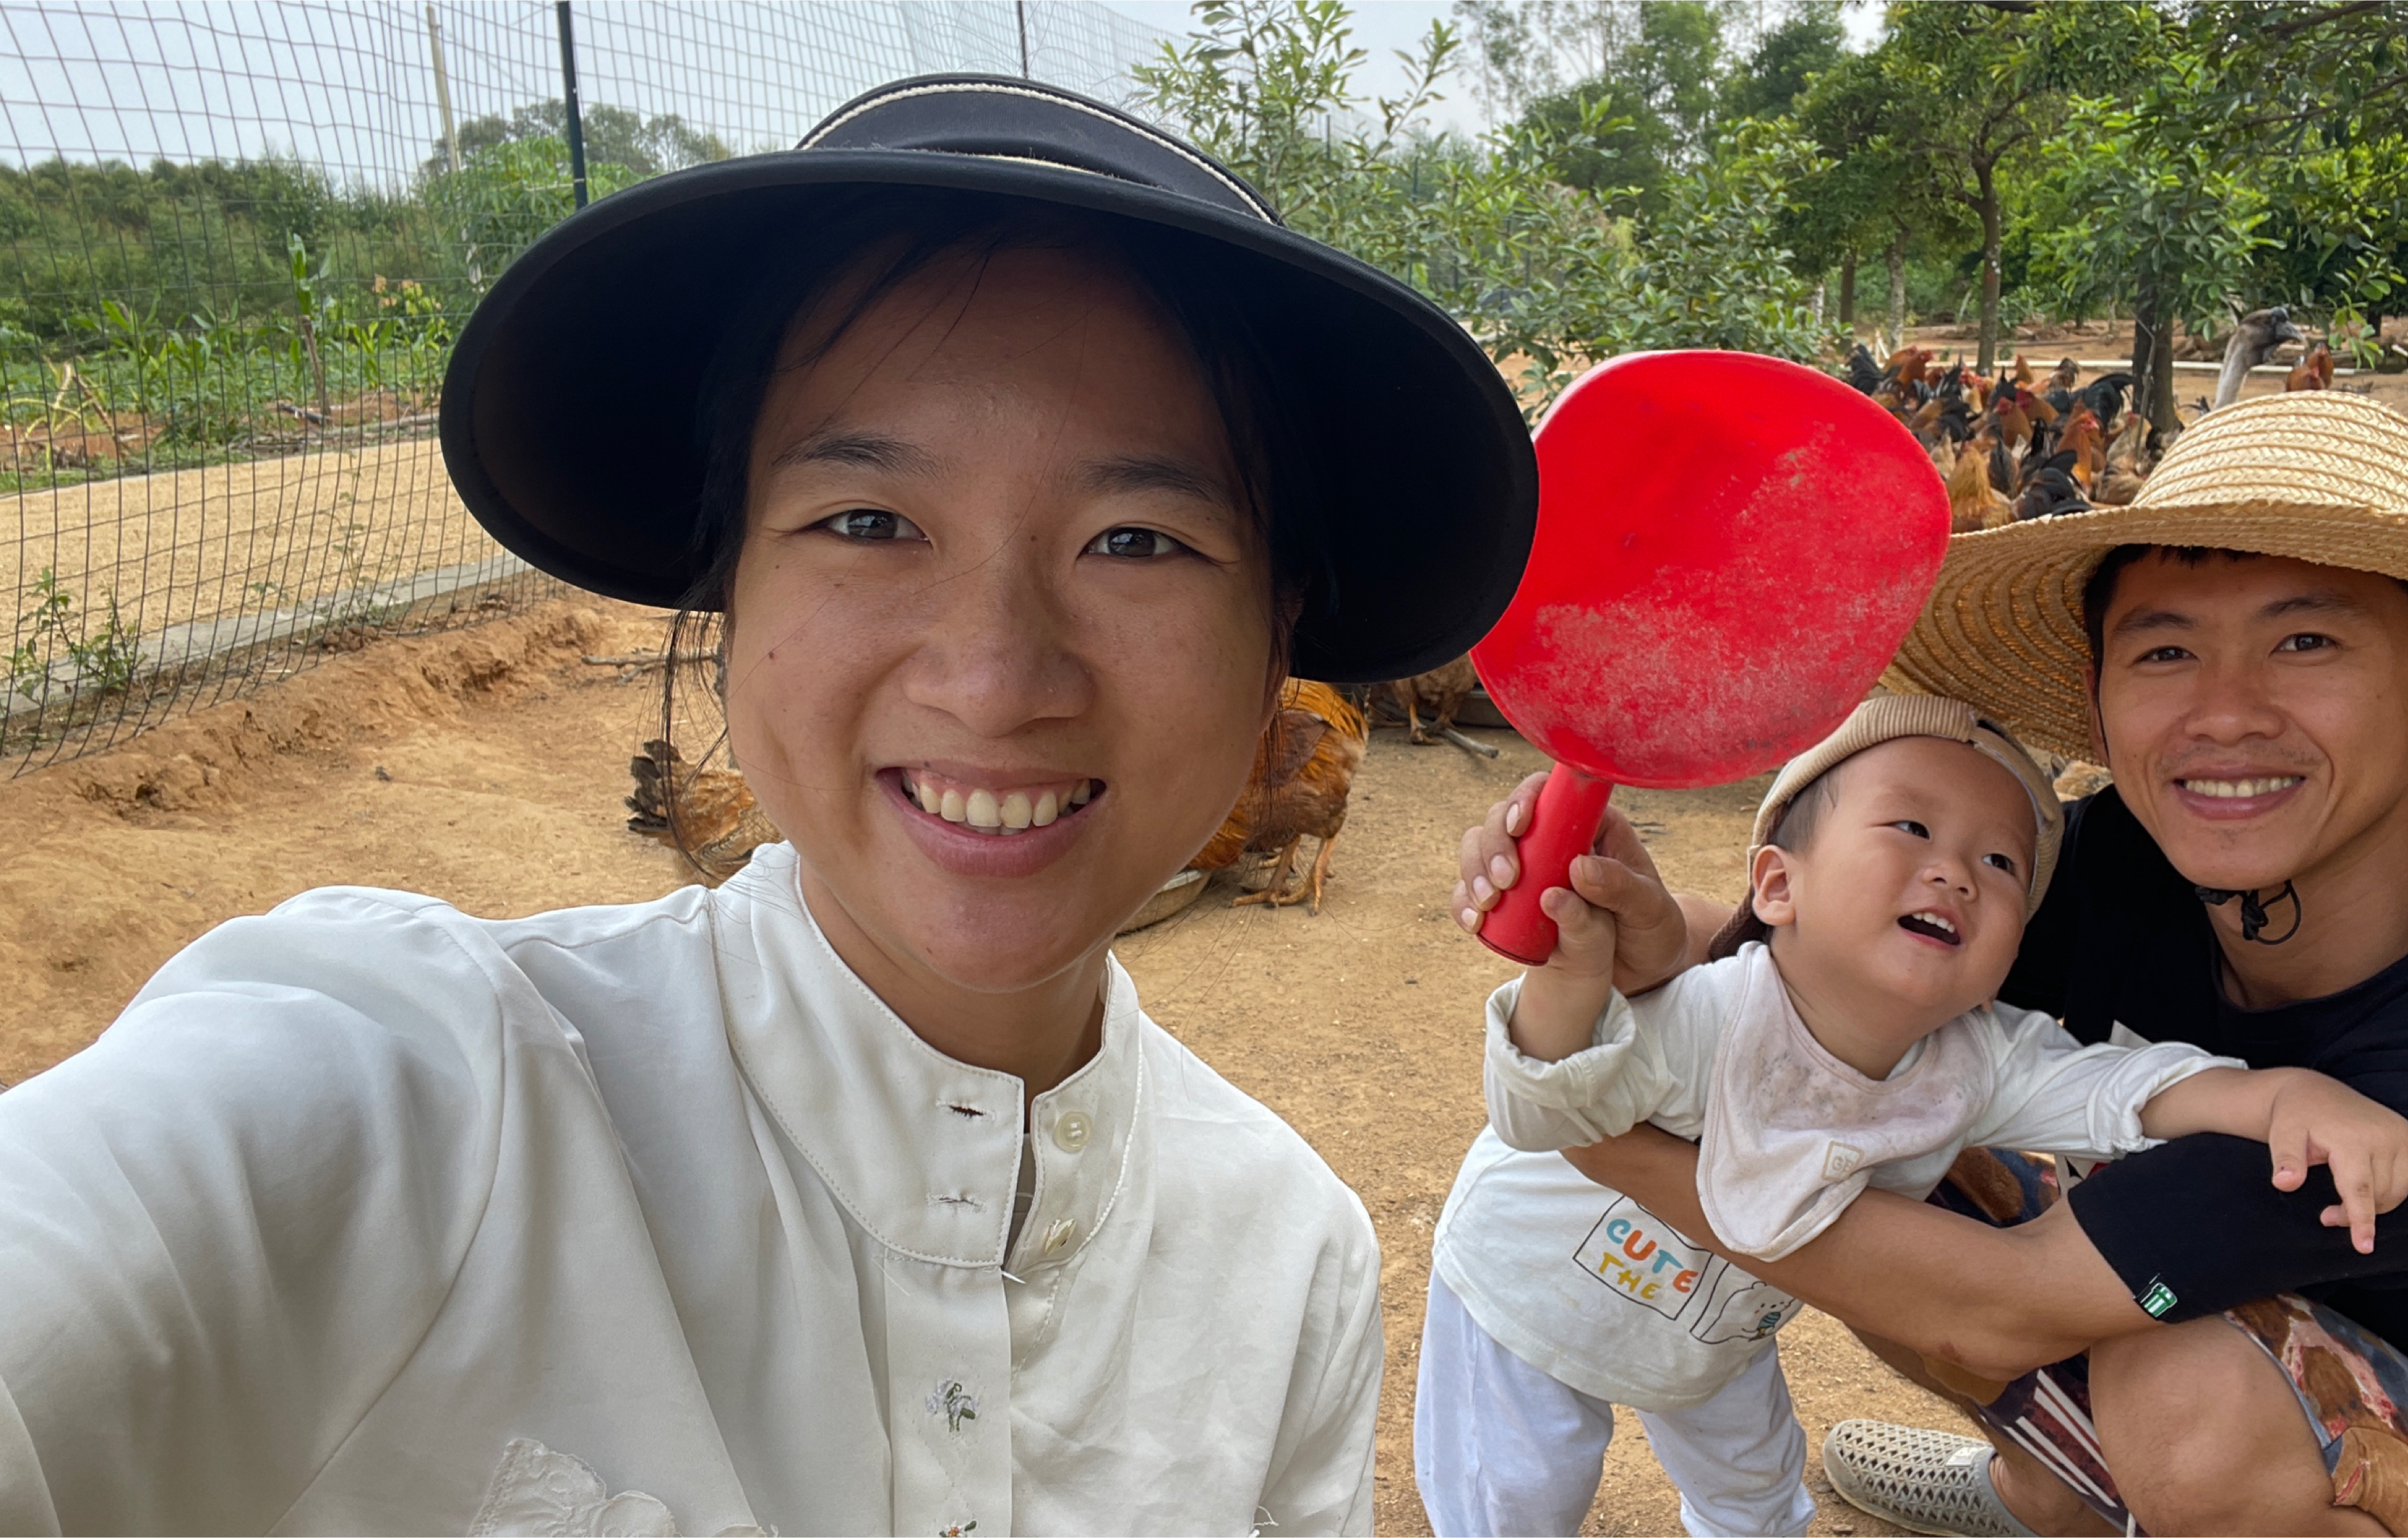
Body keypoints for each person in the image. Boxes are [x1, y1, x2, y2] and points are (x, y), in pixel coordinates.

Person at [0, 77, 1537, 1535]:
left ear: (1279, 633)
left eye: (1137, 539)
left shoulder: (1292, 1263)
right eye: (866, 521)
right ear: (729, 584)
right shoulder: (397, 1096)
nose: (996, 679)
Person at [1454, 392, 2408, 1536]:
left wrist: (1594, 1130)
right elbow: (1828, 981)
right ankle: (2063, 1491)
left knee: (2187, 1395)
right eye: (2167, 649)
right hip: (2236, 1340)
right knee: (1898, 1086)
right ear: (2103, 687)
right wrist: (1638, 930)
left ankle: (2125, 1487)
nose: (2224, 711)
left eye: (2308, 643)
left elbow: (2001, 1309)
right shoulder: (2118, 857)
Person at [1418, 694, 2408, 1537]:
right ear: (1777, 883)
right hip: (1529, 1297)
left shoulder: (1974, 1062)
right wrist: (1571, 971)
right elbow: (1547, 1099)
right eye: (1911, 828)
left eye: (2001, 865)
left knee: (1758, 1486)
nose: (1954, 869)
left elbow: (2120, 1090)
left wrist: (2279, 1095)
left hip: (1714, 1331)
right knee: (1516, 1491)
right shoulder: (1714, 1018)